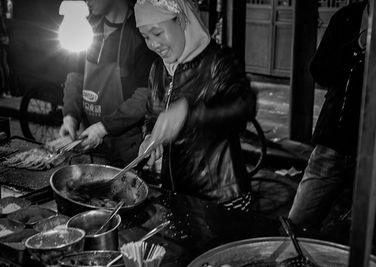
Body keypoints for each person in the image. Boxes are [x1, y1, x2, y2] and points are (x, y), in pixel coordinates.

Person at [289, 0, 376, 235]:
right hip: (334, 142)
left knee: (365, 235)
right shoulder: (347, 17)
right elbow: (320, 71)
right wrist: (359, 44)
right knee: (298, 224)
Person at [135, 0, 257, 211]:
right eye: (146, 37)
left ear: (181, 20)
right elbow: (152, 116)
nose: (153, 44)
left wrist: (188, 114)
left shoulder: (217, 61)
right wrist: (149, 137)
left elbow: (244, 107)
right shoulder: (158, 68)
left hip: (221, 196)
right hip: (177, 193)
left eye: (157, 33)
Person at [60, 0, 156, 166]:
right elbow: (75, 76)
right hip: (86, 141)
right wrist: (70, 116)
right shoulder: (85, 27)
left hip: (125, 149)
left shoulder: (140, 34)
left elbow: (144, 96)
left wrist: (103, 128)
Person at [0, 0, 10, 98]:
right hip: (3, 42)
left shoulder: (1, 18)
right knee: (4, 65)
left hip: (2, 42)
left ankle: (3, 90)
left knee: (2, 66)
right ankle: (5, 90)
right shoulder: (2, 17)